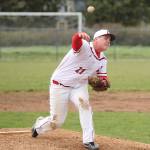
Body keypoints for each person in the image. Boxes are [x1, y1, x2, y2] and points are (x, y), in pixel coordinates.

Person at [31, 29, 115, 150]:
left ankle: (89, 141)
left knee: (85, 107)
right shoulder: (85, 46)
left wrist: (103, 82)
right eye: (105, 38)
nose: (108, 41)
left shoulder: (103, 60)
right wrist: (78, 35)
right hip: (60, 84)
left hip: (79, 86)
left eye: (110, 39)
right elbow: (76, 42)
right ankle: (38, 127)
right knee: (57, 122)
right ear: (95, 39)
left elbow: (103, 77)